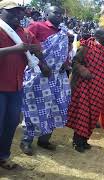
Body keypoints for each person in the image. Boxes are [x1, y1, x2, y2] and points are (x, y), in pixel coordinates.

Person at [20, 6, 71, 156]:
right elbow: (26, 48)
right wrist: (42, 65)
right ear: (46, 13)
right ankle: (26, 141)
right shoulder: (36, 26)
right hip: (39, 76)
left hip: (57, 77)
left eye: (62, 13)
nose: (60, 15)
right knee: (33, 108)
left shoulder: (63, 32)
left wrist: (65, 63)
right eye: (56, 12)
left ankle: (44, 140)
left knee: (54, 107)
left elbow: (63, 53)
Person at [0, 0, 44, 170]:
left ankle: (3, 156)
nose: (18, 15)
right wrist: (15, 49)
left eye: (20, 12)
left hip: (16, 88)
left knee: (11, 124)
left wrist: (34, 49)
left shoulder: (24, 33)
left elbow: (38, 49)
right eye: (12, 11)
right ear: (1, 12)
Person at [66, 28, 104, 153]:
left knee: (93, 115)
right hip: (85, 88)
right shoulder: (86, 47)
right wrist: (83, 70)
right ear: (99, 36)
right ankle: (77, 142)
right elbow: (74, 62)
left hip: (99, 90)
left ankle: (85, 140)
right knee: (83, 114)